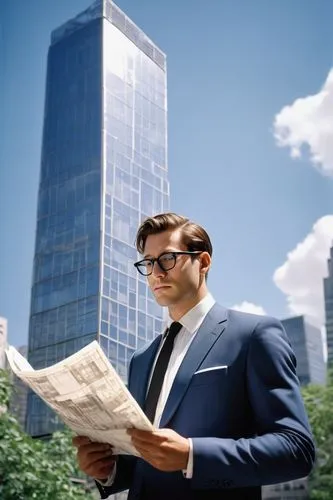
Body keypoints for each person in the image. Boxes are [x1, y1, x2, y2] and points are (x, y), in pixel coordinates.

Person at [73, 212, 315, 500]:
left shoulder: (254, 335)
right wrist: (107, 470)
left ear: (203, 262)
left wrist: (192, 455)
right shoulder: (141, 359)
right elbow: (144, 462)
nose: (156, 273)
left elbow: (296, 448)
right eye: (148, 263)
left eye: (167, 259)